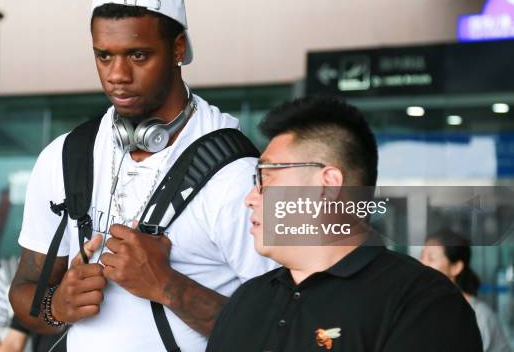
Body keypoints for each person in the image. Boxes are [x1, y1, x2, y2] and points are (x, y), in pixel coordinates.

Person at [9, 0, 276, 351]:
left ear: (178, 49)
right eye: (104, 56)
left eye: (138, 55)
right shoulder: (64, 157)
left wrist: (166, 284)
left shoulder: (249, 173)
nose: (117, 75)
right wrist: (58, 306)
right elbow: (23, 294)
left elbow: (292, 326)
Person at [207, 96, 483, 351]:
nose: (250, 198)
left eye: (265, 177)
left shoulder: (422, 303)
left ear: (326, 186)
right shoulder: (247, 300)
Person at [421, 229, 513, 352]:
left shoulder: (480, 317)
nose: (422, 263)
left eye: (431, 259)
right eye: (422, 256)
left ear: (456, 267)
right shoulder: (428, 308)